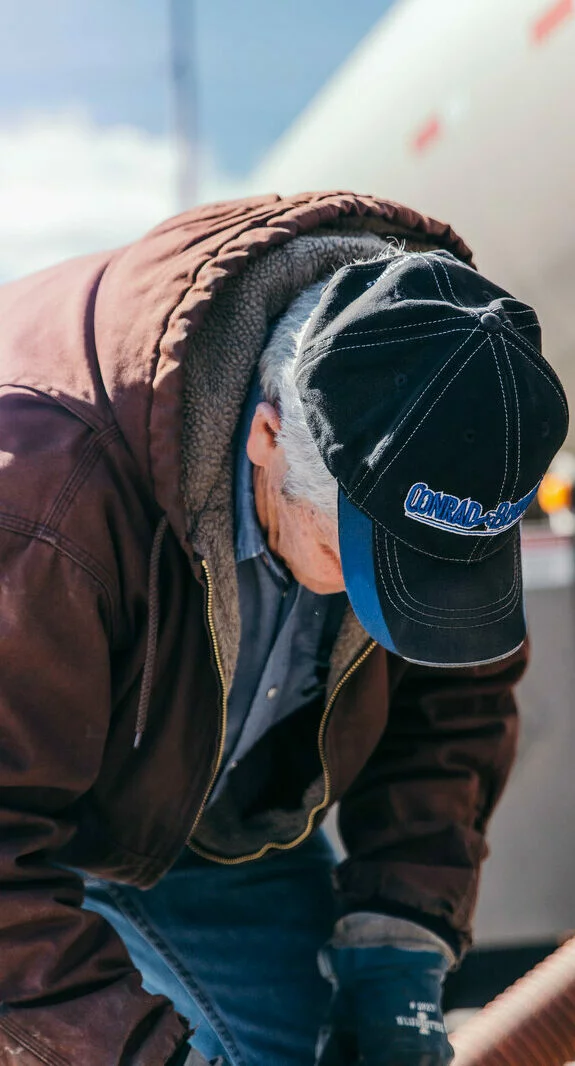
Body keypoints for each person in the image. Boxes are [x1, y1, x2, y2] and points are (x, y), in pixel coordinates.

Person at [0, 191, 568, 1066]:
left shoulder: (445, 413)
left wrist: (399, 946)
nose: (390, 595)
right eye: (360, 557)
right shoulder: (44, 494)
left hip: (223, 822)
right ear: (267, 435)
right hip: (31, 826)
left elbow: (449, 707)